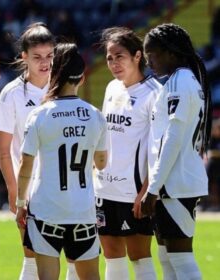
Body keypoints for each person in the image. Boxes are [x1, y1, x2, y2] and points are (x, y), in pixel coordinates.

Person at [16, 42, 107, 280]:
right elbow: (102, 162)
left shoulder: (40, 114)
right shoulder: (95, 115)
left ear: (55, 75)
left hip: (47, 209)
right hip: (82, 210)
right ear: (82, 78)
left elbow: (26, 165)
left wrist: (19, 203)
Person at [0, 22, 64, 279]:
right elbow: (3, 150)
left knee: (74, 258)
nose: (44, 62)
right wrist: (15, 191)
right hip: (30, 189)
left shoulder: (63, 87)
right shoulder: (11, 94)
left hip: (64, 187)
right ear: (24, 56)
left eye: (49, 56)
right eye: (37, 57)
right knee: (32, 256)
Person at [142, 23, 212, 280]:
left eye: (153, 54)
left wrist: (153, 187)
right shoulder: (180, 80)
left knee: (181, 259)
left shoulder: (180, 81)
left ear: (172, 53)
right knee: (167, 256)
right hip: (172, 183)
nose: (149, 61)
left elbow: (173, 137)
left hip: (176, 183)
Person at [94, 27, 161, 280]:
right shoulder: (112, 88)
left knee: (140, 256)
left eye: (119, 56)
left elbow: (159, 148)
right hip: (104, 188)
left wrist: (146, 190)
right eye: (109, 58)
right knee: (111, 254)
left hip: (133, 193)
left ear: (136, 56)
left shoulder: (154, 93)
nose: (113, 63)